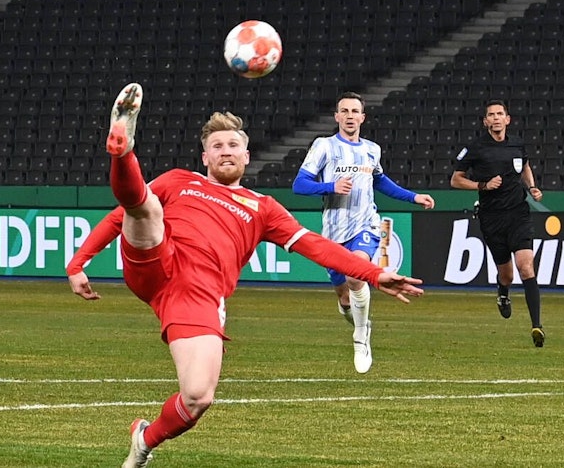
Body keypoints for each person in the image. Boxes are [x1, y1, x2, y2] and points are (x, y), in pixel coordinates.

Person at [73, 83, 423, 468]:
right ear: (205, 156)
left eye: (233, 145)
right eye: (218, 146)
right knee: (145, 209)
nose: (226, 151)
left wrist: (373, 274)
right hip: (156, 261)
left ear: (247, 155)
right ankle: (123, 150)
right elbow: (121, 213)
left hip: (197, 296)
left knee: (198, 397)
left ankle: (144, 440)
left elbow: (316, 246)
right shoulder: (179, 180)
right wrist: (79, 262)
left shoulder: (263, 208)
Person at [291, 92, 436, 374]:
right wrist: (329, 187)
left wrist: (413, 197)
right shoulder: (324, 146)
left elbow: (381, 182)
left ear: (362, 117)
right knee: (345, 297)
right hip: (334, 232)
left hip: (366, 224)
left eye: (354, 111)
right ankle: (357, 318)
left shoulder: (372, 149)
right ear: (336, 117)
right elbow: (299, 185)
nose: (349, 116)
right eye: (344, 111)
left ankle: (360, 339)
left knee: (357, 276)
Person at [450, 100, 548, 347]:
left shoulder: (517, 144)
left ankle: (537, 326)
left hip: (519, 214)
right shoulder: (476, 148)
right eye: (491, 115)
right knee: (507, 274)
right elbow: (455, 180)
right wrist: (482, 185)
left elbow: (524, 166)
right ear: (485, 121)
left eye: (499, 114)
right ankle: (503, 292)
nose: (495, 118)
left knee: (526, 266)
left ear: (507, 119)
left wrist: (532, 187)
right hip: (492, 218)